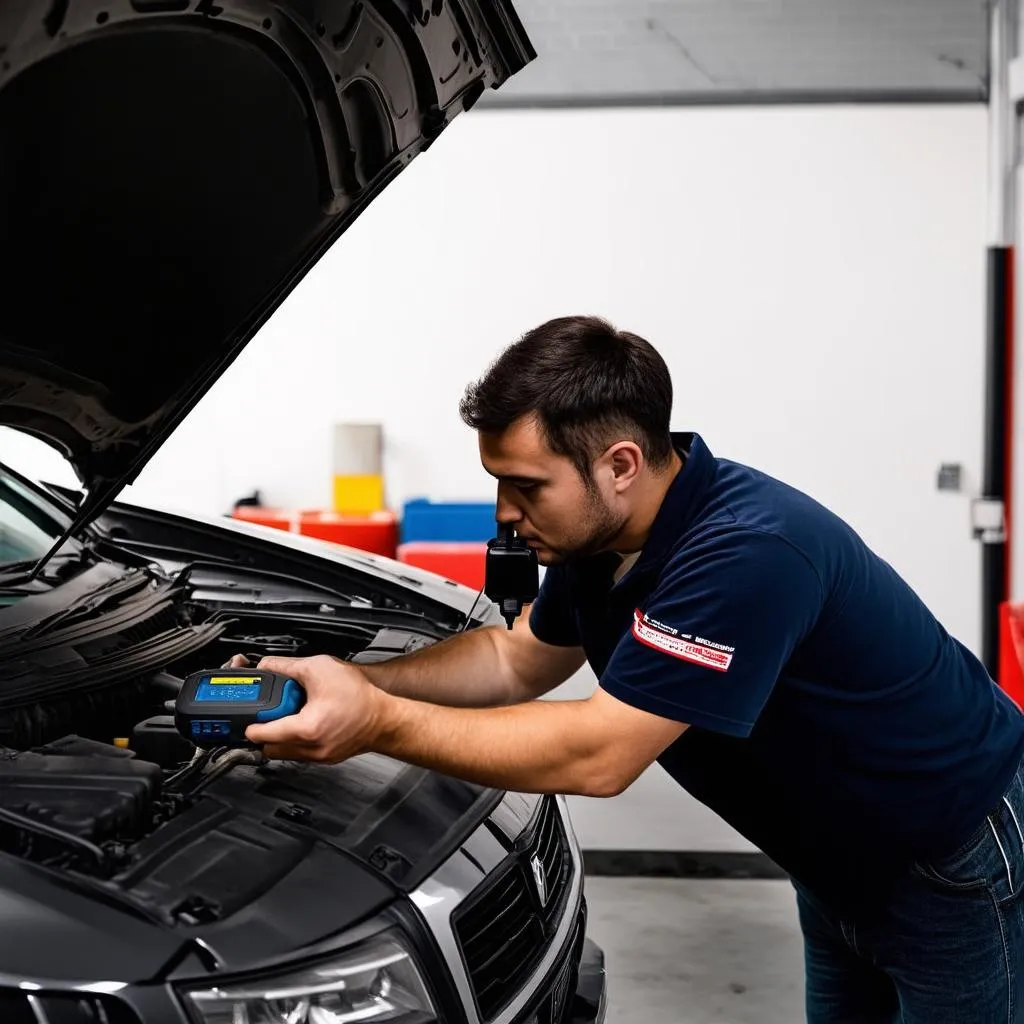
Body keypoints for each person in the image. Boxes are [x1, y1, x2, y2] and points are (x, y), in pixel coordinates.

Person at [231, 315, 1024, 1023]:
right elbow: (514, 660)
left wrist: (375, 722)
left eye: (526, 486)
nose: (505, 512)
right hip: (833, 861)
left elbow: (600, 753)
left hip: (947, 861)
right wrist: (358, 678)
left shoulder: (747, 552)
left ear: (619, 463)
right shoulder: (599, 540)